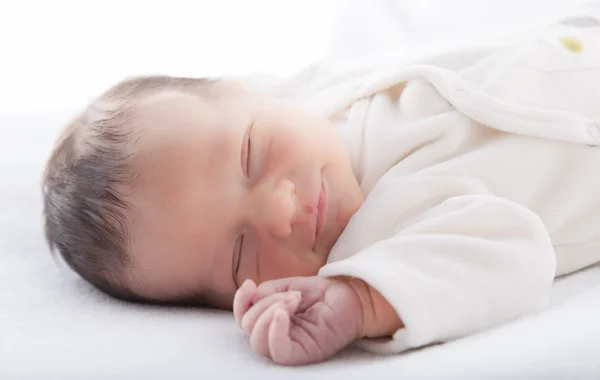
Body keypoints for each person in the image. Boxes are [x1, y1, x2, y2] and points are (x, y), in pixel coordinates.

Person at [43, 18, 600, 365]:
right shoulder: (383, 243)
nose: (282, 209)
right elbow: (509, 254)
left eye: (248, 155)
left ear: (244, 92)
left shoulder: (316, 98)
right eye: (240, 254)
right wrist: (362, 301)